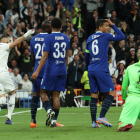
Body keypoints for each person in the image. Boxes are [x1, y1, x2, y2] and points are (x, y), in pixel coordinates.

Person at [85, 19, 125, 128]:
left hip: (91, 69)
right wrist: (113, 25)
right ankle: (101, 116)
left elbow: (86, 56)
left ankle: (94, 123)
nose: (108, 28)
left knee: (94, 95)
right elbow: (122, 36)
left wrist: (89, 68)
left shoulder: (89, 38)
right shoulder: (105, 36)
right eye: (106, 26)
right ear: (100, 28)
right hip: (101, 69)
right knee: (111, 92)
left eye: (109, 26)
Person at [31, 18, 70, 127]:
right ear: (61, 27)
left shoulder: (48, 37)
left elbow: (44, 56)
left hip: (51, 70)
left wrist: (37, 71)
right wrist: (65, 70)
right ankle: (54, 122)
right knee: (56, 96)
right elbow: (67, 57)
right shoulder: (66, 38)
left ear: (51, 26)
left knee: (43, 92)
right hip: (62, 70)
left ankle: (48, 110)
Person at [0, 29, 35, 124]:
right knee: (12, 94)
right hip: (2, 72)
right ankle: (9, 118)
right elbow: (16, 42)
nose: (9, 42)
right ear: (4, 41)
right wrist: (27, 33)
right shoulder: (3, 45)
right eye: (8, 40)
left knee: (2, 98)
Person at [30, 20, 52, 128]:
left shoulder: (33, 39)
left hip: (37, 71)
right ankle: (52, 116)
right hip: (48, 70)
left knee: (36, 94)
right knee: (51, 94)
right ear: (47, 28)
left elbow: (32, 57)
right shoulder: (50, 38)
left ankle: (33, 121)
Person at [117, 49, 140, 132]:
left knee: (122, 121)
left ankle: (123, 124)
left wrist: (124, 100)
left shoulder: (130, 68)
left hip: (133, 98)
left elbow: (124, 87)